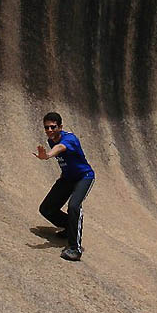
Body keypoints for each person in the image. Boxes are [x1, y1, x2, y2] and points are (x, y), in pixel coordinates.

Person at [34, 112, 95, 261]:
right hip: (67, 178)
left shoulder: (70, 139)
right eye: (46, 128)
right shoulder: (51, 140)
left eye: (53, 127)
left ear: (60, 127)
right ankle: (69, 227)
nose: (49, 130)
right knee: (46, 209)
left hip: (84, 178)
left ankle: (75, 249)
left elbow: (61, 148)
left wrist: (47, 155)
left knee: (74, 206)